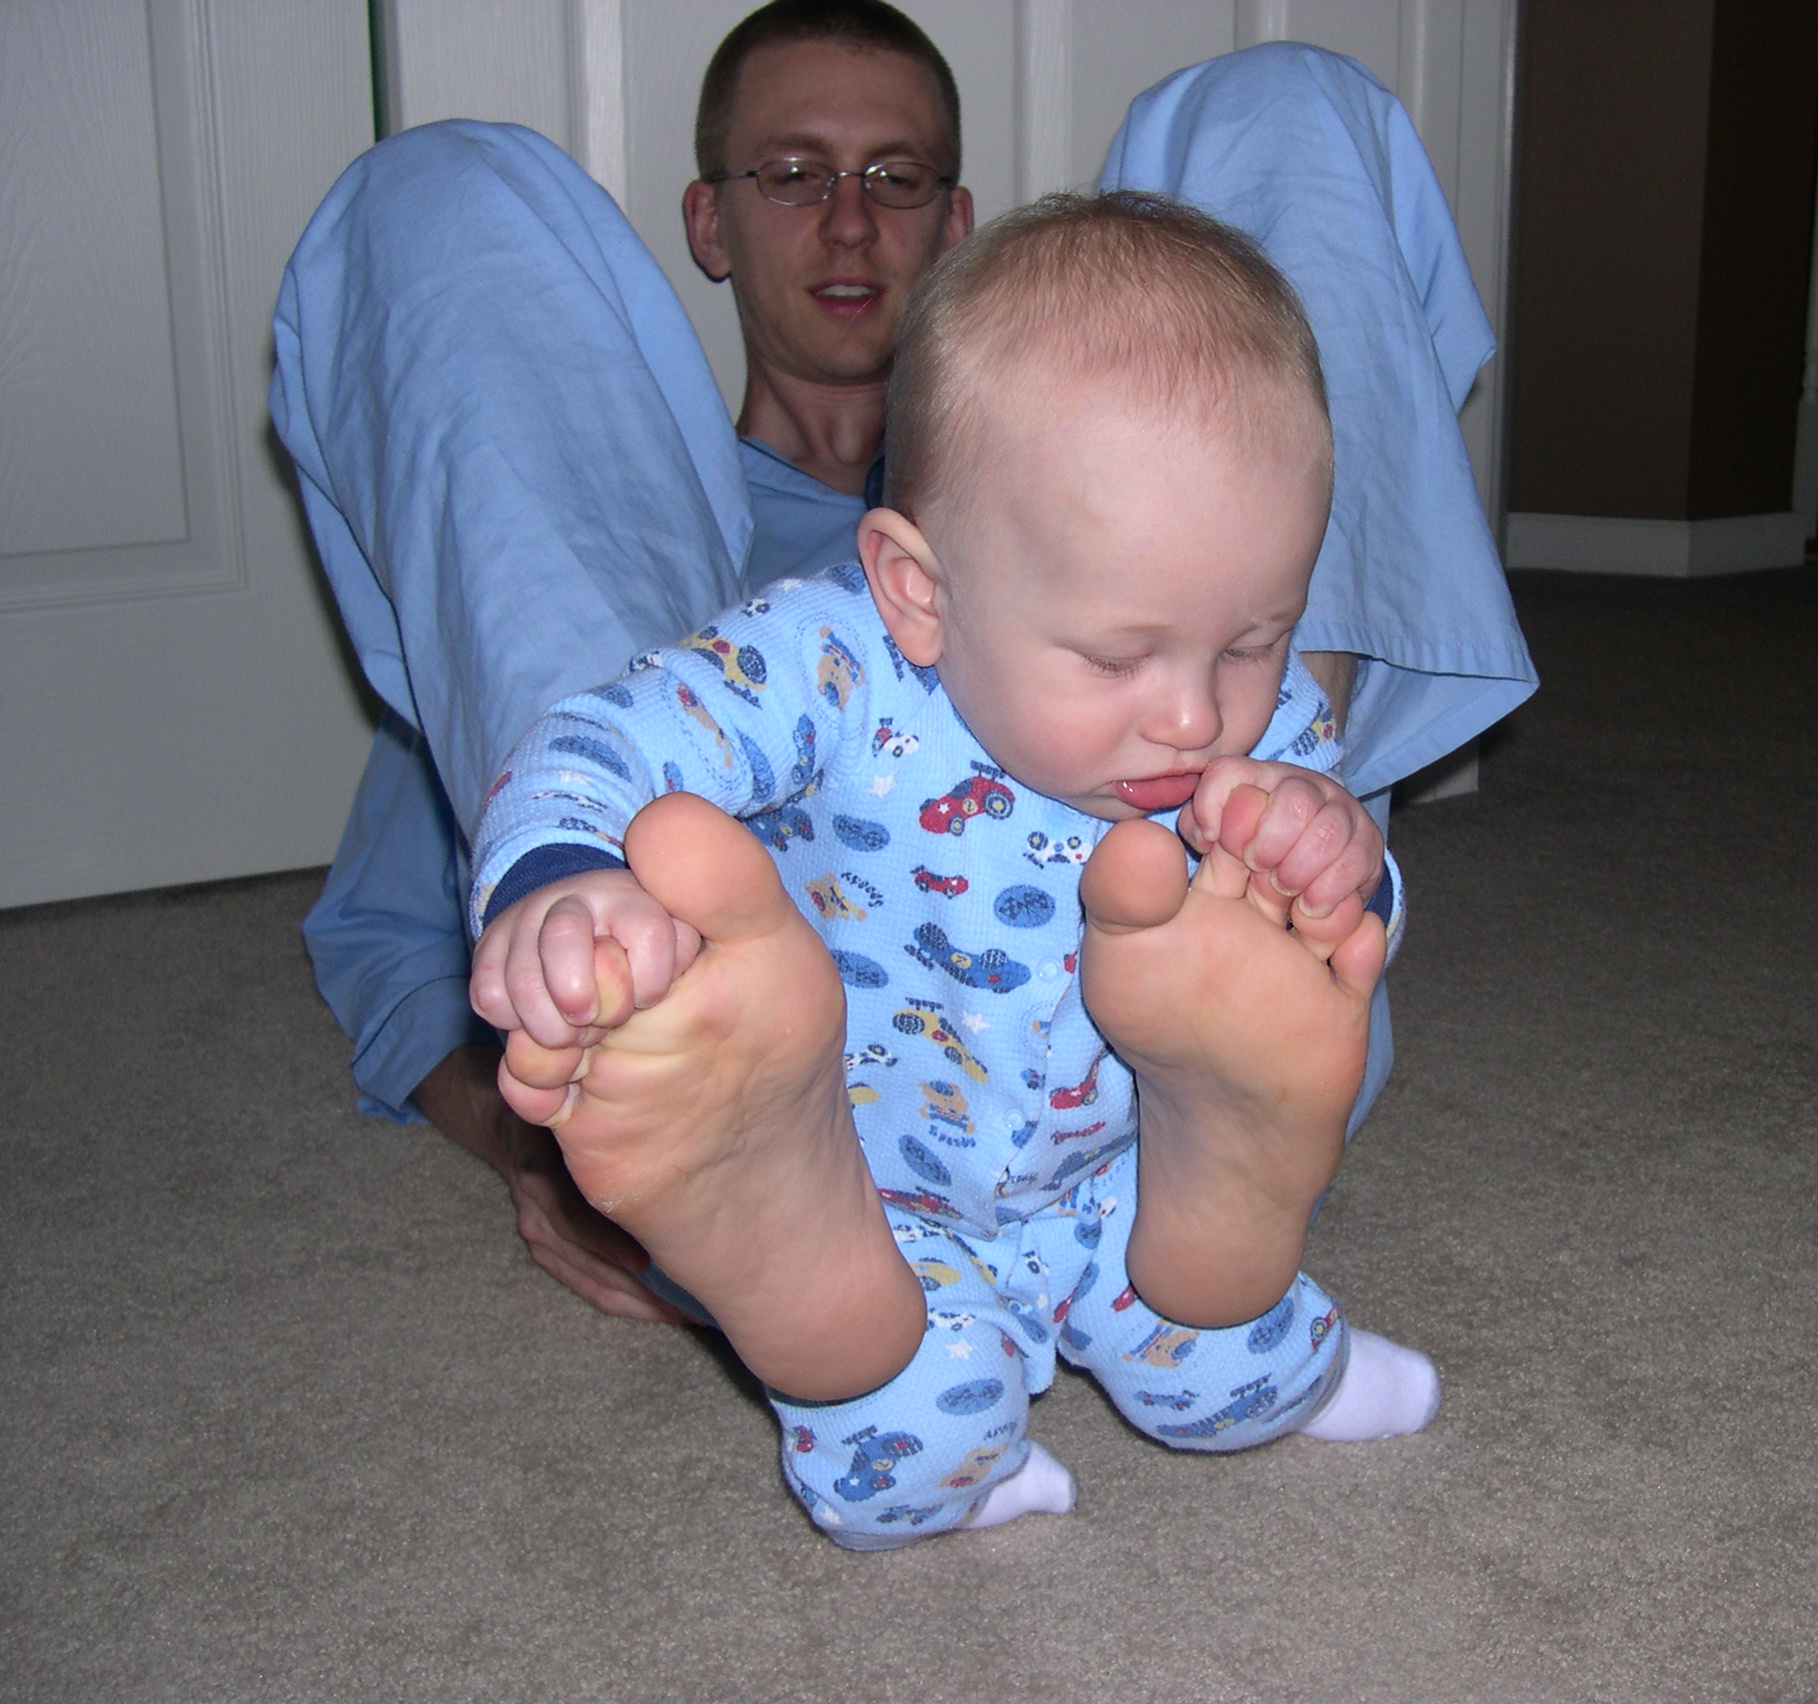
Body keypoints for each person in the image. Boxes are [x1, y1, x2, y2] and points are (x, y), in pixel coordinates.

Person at [271, 0, 1535, 1324]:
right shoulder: (606, 558)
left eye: (896, 177)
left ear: (957, 223)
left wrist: (1206, 661)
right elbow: (383, 937)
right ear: (710, 223)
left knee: (1282, 103)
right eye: (794, 174)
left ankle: (1269, 854)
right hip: (817, 1065)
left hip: (1185, 868)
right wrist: (527, 1135)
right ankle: (652, 1053)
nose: (849, 221)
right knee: (434, 192)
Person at [466, 194, 1442, 1546]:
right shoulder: (828, 663)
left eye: (1253, 637)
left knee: (1227, 1359)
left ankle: (1241, 1195)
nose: (1197, 716)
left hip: (1124, 1170)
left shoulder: (1267, 743)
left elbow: (1349, 907)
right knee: (909, 1445)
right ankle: (792, 1243)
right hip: (870, 1183)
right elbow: (595, 743)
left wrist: (1337, 869)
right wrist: (560, 884)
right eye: (1118, 655)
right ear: (919, 591)